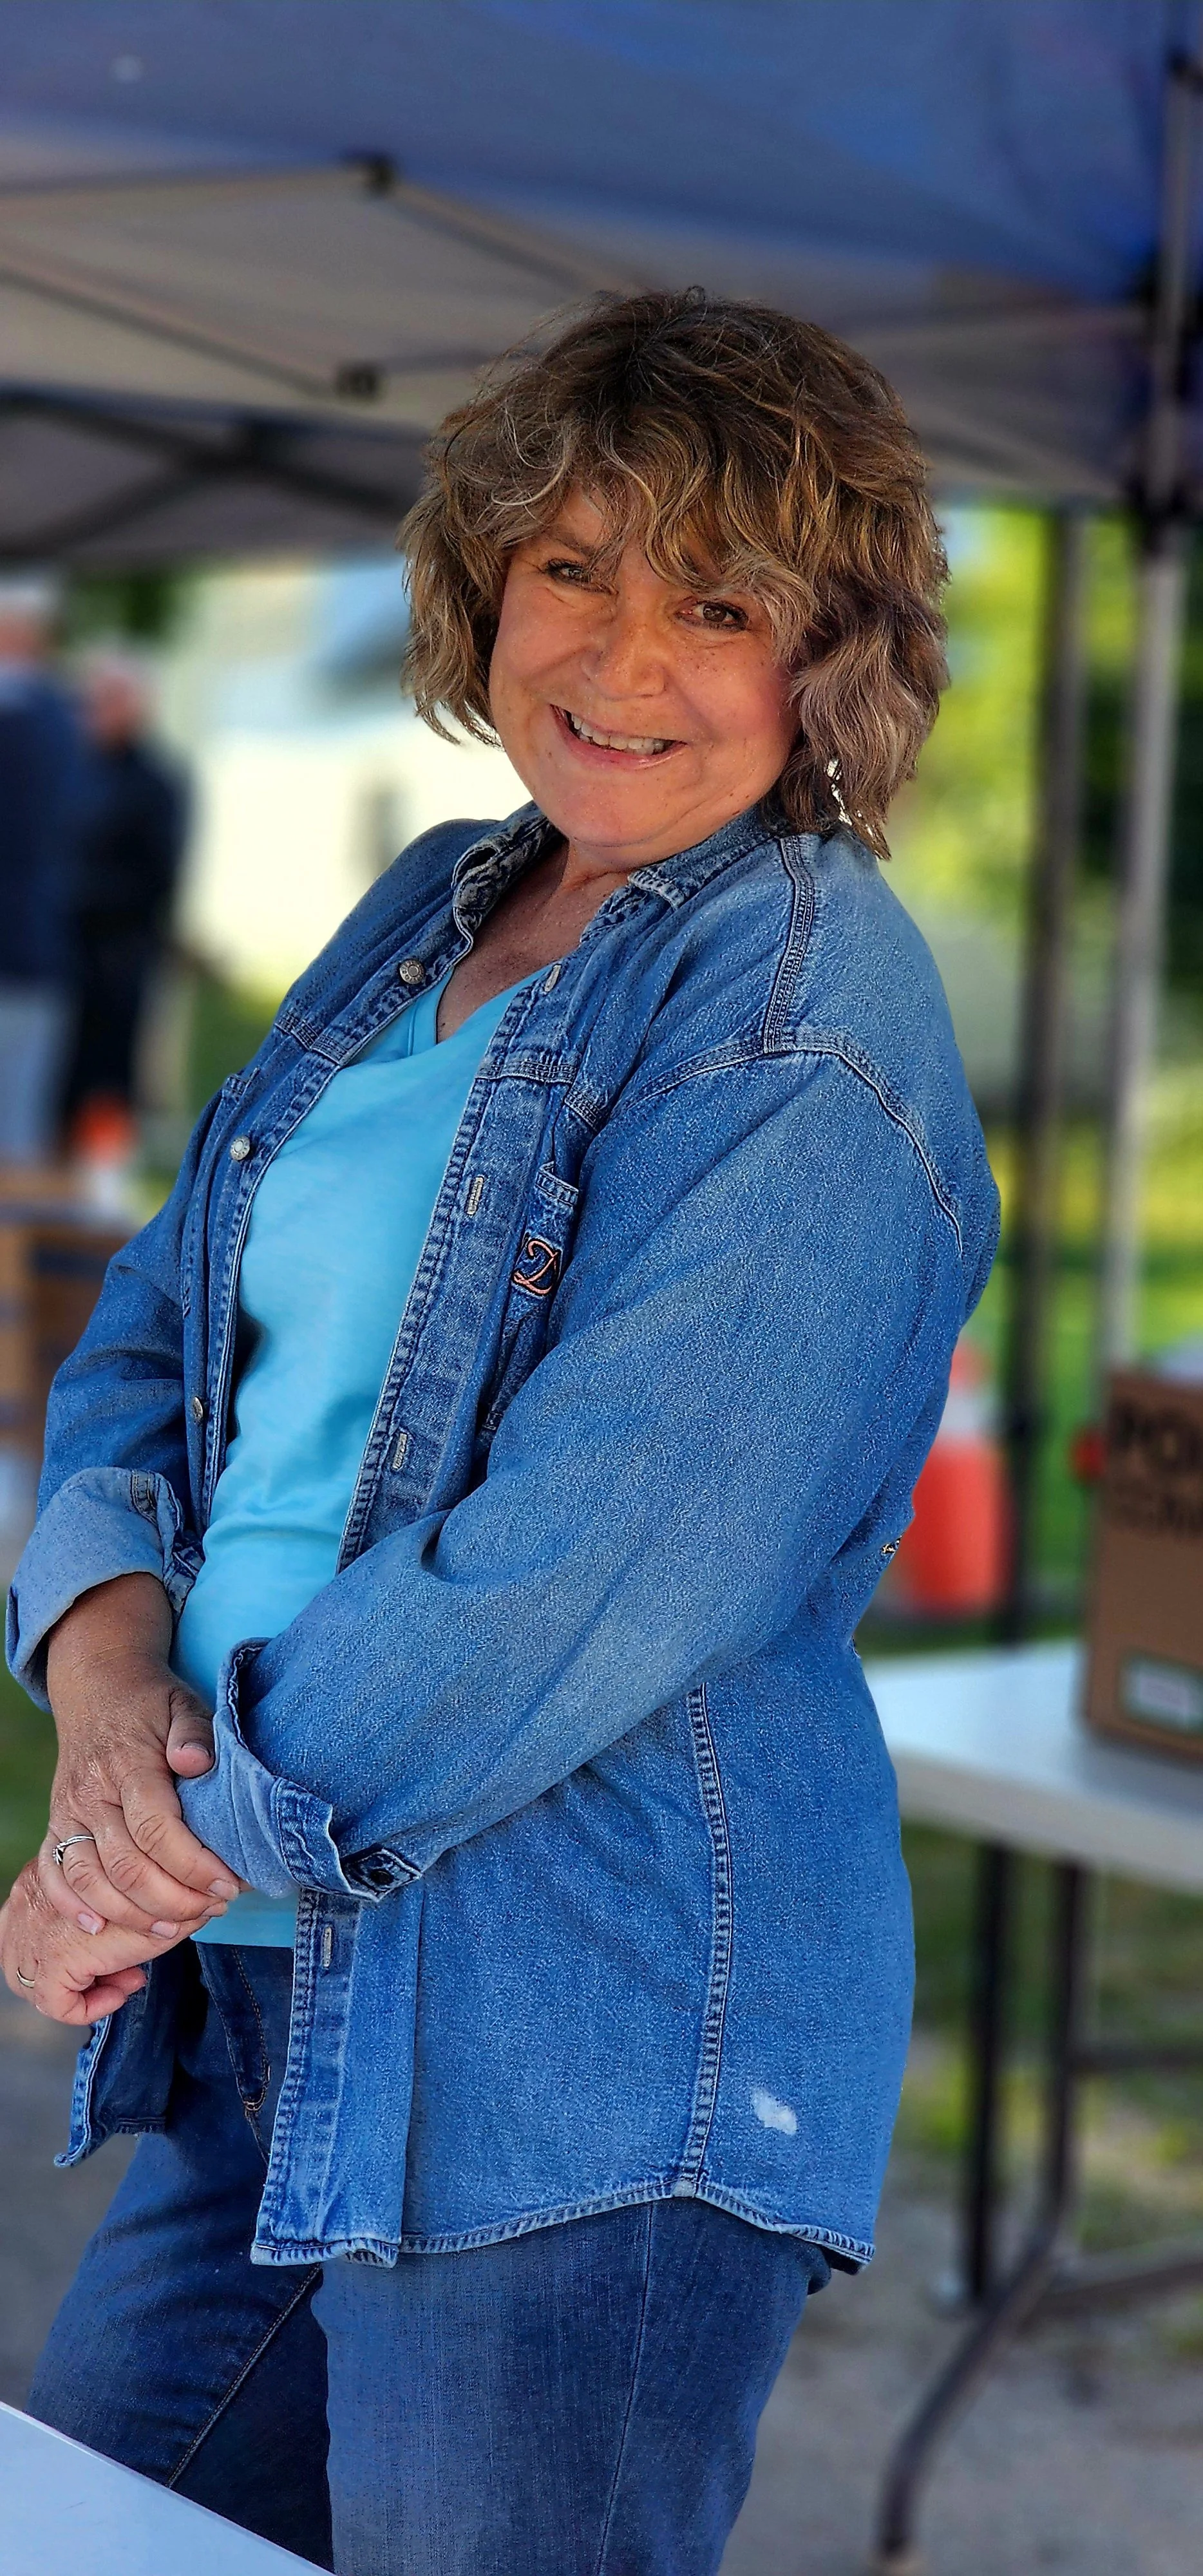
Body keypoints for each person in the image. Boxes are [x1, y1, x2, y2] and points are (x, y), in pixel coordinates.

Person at [1, 293, 999, 2576]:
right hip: (277, 2007)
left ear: (822, 660)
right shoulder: (423, 912)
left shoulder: (799, 1000)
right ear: (477, 581)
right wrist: (99, 1699)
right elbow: (146, 1340)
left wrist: (146, 1848)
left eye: (716, 603)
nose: (621, 656)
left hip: (573, 2049)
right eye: (573, 568)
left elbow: (595, 1560)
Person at [61, 650, 188, 1142]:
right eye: (90, 699)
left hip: (119, 960)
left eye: (110, 699)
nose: (95, 710)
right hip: (65, 961)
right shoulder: (73, 771)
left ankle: (98, 1195)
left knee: (107, 1088)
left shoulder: (156, 784)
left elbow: (156, 879)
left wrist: (74, 893)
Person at [0, 578, 80, 1162]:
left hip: (20, 949)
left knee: (15, 1133)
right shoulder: (58, 715)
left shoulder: (27, 714)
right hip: (37, 945)